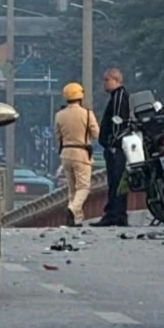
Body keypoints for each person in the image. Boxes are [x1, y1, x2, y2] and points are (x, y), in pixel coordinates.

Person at [54, 82, 99, 227]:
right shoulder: (86, 114)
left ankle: (77, 220)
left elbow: (57, 135)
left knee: (72, 188)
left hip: (66, 154)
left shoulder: (59, 115)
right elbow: (96, 133)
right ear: (81, 96)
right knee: (84, 187)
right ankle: (72, 209)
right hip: (82, 153)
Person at [94, 68, 131, 227]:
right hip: (115, 146)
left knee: (116, 181)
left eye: (106, 80)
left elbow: (118, 121)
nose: (104, 83)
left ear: (115, 80)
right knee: (115, 181)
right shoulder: (117, 96)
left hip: (116, 148)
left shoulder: (119, 96)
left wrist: (113, 143)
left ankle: (114, 214)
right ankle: (116, 213)